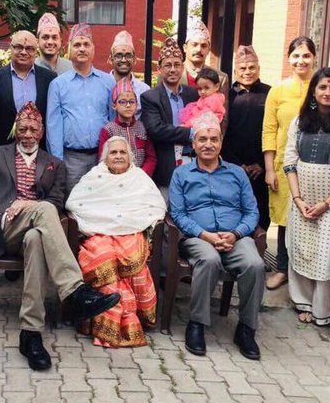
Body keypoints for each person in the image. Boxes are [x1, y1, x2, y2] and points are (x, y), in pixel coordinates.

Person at [0, 102, 120, 370]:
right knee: (43, 209)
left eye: (33, 129)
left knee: (36, 236)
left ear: (42, 131)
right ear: (15, 130)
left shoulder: (54, 164)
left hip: (34, 229)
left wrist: (29, 205)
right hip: (3, 227)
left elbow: (56, 201)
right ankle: (74, 291)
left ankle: (30, 333)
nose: (28, 134)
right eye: (22, 128)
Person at [169, 112, 264, 360]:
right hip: (198, 238)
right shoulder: (182, 174)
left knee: (254, 264)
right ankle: (197, 324)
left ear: (221, 143)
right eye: (202, 139)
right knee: (209, 259)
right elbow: (177, 213)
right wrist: (205, 235)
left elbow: (252, 212)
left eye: (213, 139)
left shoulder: (236, 173)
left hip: (236, 237)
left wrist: (235, 234)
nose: (208, 144)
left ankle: (246, 328)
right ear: (194, 144)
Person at [67, 137, 166, 347]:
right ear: (105, 158)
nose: (119, 156)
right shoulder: (94, 177)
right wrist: (106, 223)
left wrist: (125, 223)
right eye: (113, 153)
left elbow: (156, 207)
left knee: (130, 254)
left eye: (123, 152)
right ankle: (106, 318)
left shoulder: (139, 179)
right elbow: (75, 205)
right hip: (98, 233)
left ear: (130, 157)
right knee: (103, 255)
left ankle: (127, 318)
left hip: (131, 232)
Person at [283, 68, 330, 325]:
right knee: (300, 249)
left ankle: (324, 310)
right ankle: (302, 301)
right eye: (322, 87)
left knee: (326, 257)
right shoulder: (299, 122)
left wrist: (326, 203)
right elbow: (290, 161)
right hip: (302, 200)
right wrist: (298, 199)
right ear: (313, 91)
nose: (327, 92)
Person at [262, 36, 316, 291]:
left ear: (314, 57)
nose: (301, 60)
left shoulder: (322, 87)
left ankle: (307, 273)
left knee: (312, 217)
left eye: (306, 55)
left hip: (316, 166)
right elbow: (269, 131)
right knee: (284, 219)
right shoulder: (278, 91)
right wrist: (270, 168)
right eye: (296, 56)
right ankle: (283, 268)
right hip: (285, 164)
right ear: (289, 59)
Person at [46, 23, 115, 191]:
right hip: (71, 160)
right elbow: (53, 125)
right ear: (69, 50)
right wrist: (58, 161)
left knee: (101, 203)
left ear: (93, 49)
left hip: (102, 157)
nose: (82, 49)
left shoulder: (108, 82)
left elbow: (113, 119)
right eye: (77, 45)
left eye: (86, 44)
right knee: (73, 205)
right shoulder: (58, 84)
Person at [222, 45, 271, 231]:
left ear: (258, 68)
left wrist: (261, 164)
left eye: (252, 67)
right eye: (243, 68)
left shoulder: (270, 94)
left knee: (261, 215)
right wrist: (236, 164)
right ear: (235, 71)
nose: (247, 72)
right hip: (233, 166)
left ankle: (259, 253)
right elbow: (222, 132)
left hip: (261, 168)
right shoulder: (226, 96)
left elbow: (272, 131)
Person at [141, 38, 198, 194]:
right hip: (166, 165)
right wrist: (190, 133)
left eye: (177, 65)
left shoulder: (193, 94)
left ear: (182, 67)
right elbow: (156, 129)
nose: (173, 69)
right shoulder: (150, 97)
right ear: (159, 69)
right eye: (168, 65)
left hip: (192, 162)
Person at [0, 30, 55, 147]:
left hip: (38, 149)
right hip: (3, 148)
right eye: (18, 47)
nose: (23, 52)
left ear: (36, 51)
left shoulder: (49, 78)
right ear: (10, 48)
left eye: (29, 48)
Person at [98, 79, 157, 177]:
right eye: (122, 102)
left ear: (137, 105)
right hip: (115, 179)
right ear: (114, 105)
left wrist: (141, 175)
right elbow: (103, 160)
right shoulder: (108, 130)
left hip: (140, 179)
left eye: (132, 102)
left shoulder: (142, 127)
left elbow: (151, 157)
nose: (128, 105)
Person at [108, 30, 150, 116]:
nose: (123, 60)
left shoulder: (144, 90)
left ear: (134, 60)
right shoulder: (102, 86)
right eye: (119, 55)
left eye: (128, 55)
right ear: (111, 59)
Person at [182, 23, 228, 93]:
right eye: (194, 45)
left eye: (203, 46)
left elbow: (223, 103)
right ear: (185, 48)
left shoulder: (221, 78)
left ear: (209, 50)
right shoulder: (170, 74)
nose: (199, 49)